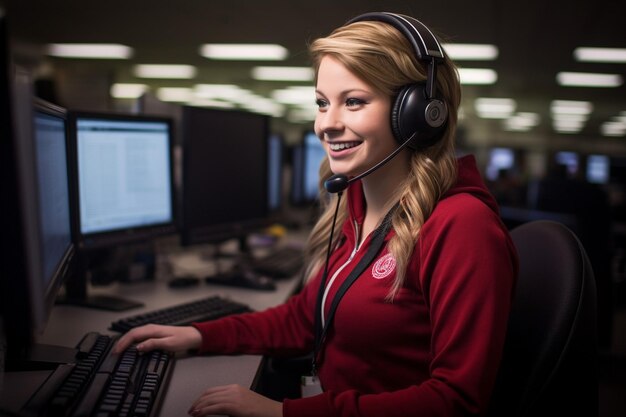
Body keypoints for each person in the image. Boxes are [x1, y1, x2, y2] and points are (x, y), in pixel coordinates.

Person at [114, 12, 518, 417]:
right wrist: (199, 335)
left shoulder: (462, 227)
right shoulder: (358, 205)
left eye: (354, 102)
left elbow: (455, 403)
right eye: (322, 103)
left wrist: (283, 413)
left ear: (418, 112)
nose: (327, 124)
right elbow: (305, 319)